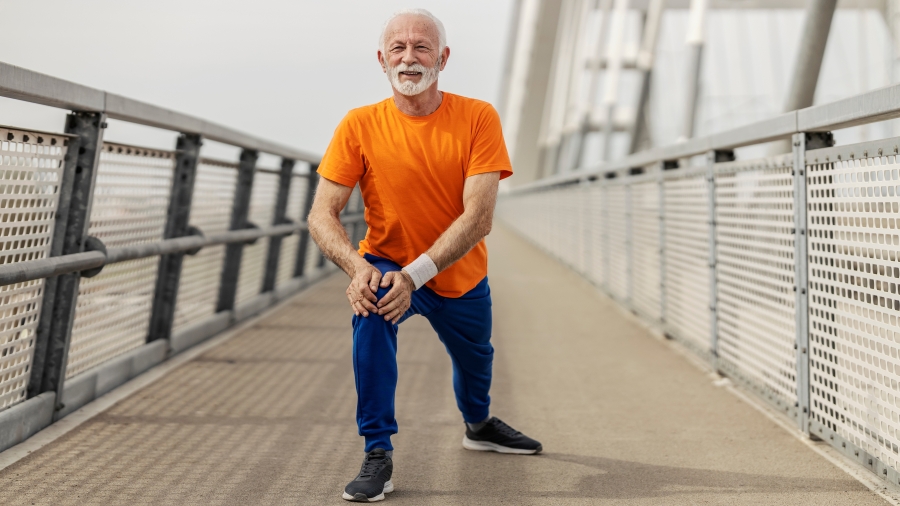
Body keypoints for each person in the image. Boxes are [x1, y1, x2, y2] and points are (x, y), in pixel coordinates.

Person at [307, 8, 542, 503]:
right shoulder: (359, 125)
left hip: (457, 274)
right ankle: (378, 452)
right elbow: (321, 216)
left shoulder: (478, 117)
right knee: (370, 310)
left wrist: (418, 274)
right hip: (389, 266)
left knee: (477, 361)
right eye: (398, 48)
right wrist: (358, 268)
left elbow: (479, 218)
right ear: (382, 59)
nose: (409, 58)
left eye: (421, 47)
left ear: (443, 57)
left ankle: (478, 425)